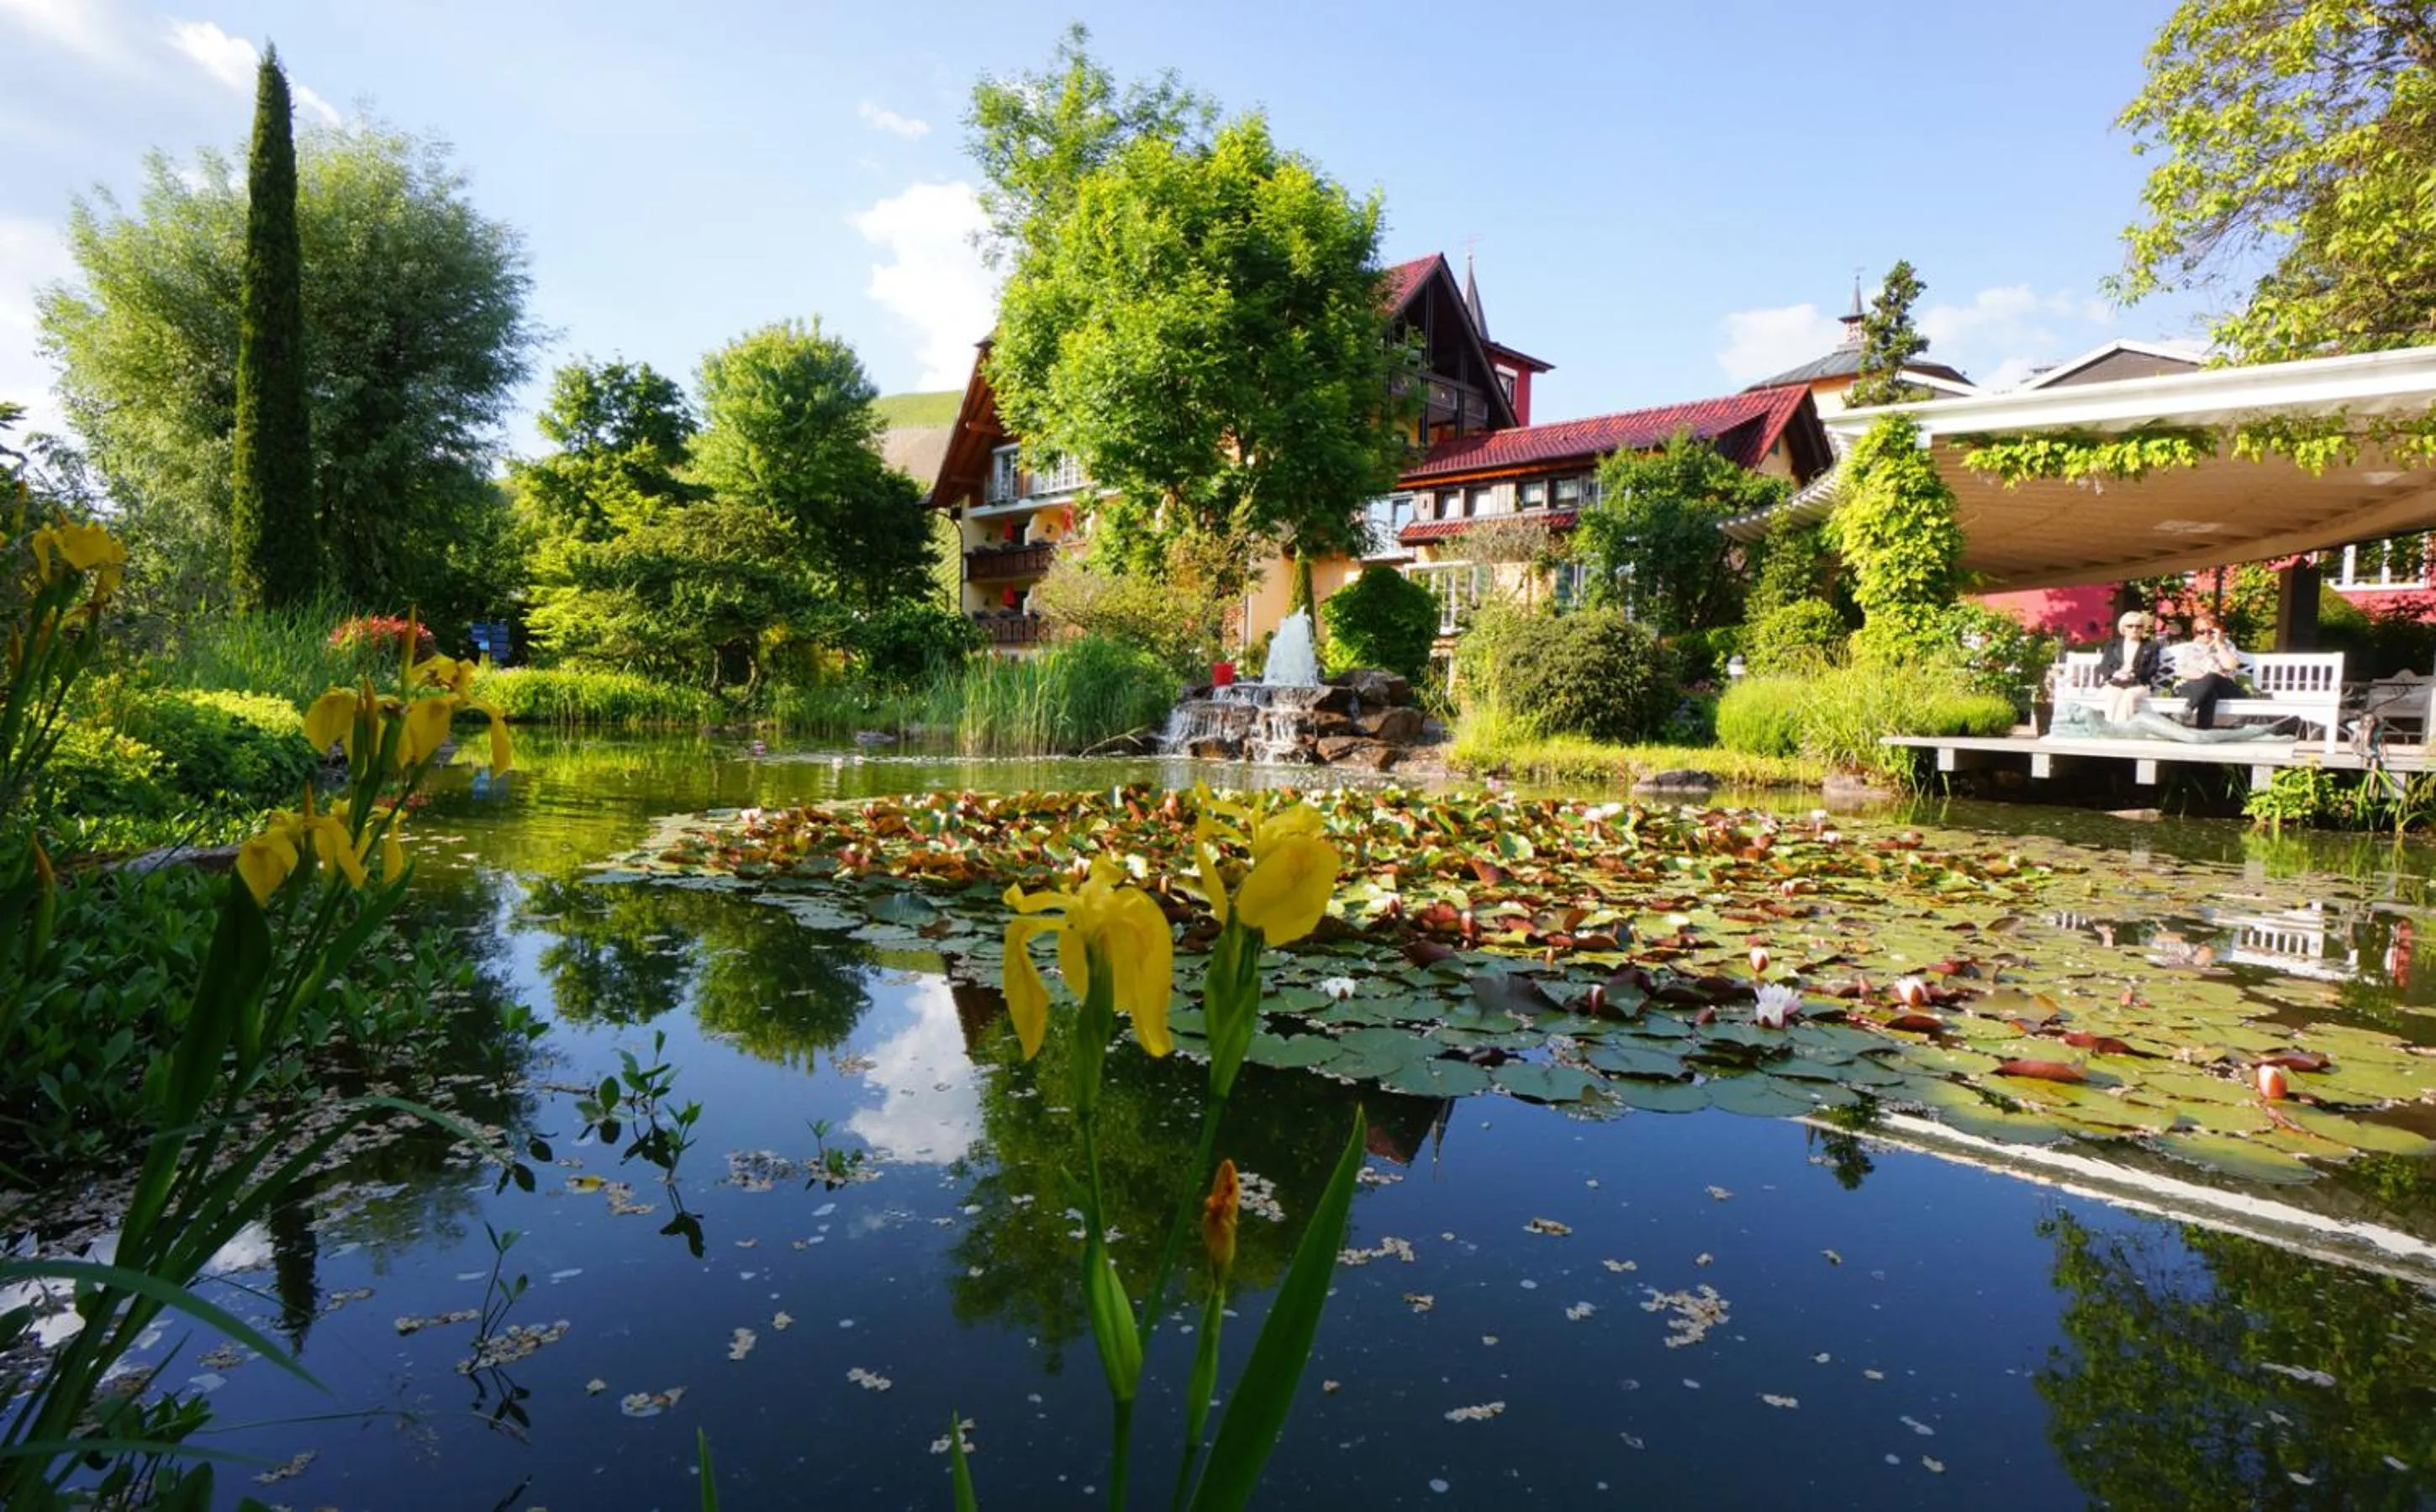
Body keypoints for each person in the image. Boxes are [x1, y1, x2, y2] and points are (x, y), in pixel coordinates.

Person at [2168, 611, 2245, 729]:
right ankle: (2203, 731)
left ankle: (2187, 710)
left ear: (2217, 631)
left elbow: (2230, 666)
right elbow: (2180, 670)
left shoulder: (2227, 645)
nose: (2206, 635)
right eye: (2201, 632)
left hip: (2224, 688)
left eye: (2210, 631)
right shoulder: (2190, 647)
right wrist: (2204, 677)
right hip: (2195, 686)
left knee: (2213, 677)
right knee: (2209, 692)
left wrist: (2219, 644)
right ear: (2195, 632)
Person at [2095, 610, 2160, 724]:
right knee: (2115, 693)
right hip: (2115, 683)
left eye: (2138, 626)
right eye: (2130, 626)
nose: (2134, 629)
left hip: (2139, 685)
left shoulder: (2150, 646)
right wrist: (2115, 674)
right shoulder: (2113, 645)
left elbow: (2152, 669)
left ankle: (2121, 728)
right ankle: (2110, 727)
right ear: (2123, 628)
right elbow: (2104, 666)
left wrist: (2133, 674)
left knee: (2129, 695)